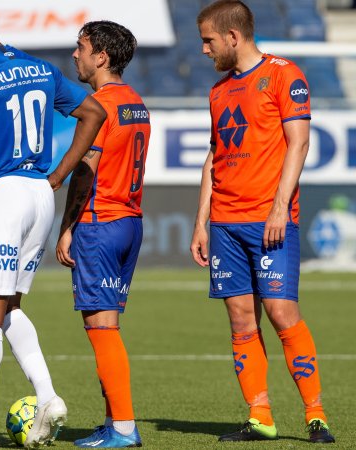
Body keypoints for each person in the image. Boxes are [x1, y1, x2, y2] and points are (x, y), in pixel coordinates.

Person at [0, 2, 107, 449]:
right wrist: (57, 176)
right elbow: (93, 114)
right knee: (9, 305)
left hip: (2, 196)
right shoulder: (39, 67)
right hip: (38, 194)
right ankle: (47, 397)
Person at [190, 0, 335, 444]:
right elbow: (213, 159)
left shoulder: (284, 75)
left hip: (269, 219)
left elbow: (299, 143)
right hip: (226, 224)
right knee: (240, 321)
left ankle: (316, 415)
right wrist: (202, 223)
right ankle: (260, 416)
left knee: (281, 313)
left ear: (233, 38)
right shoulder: (218, 92)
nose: (204, 51)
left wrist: (278, 207)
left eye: (209, 41)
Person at [55, 21, 149, 449]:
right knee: (108, 324)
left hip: (100, 221)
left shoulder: (98, 104)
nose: (74, 55)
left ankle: (125, 429)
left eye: (81, 48)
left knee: (101, 328)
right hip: (130, 221)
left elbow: (84, 168)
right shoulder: (136, 102)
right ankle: (115, 423)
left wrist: (67, 226)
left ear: (101, 57)